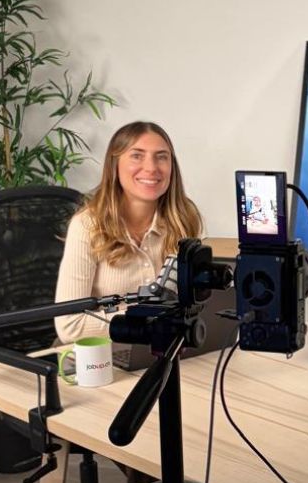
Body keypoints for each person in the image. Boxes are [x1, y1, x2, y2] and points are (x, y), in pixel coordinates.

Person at [54, 121, 203, 343]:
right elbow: (69, 325)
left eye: (161, 156)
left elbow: (197, 305)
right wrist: (150, 320)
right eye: (137, 156)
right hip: (99, 358)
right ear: (115, 165)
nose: (151, 167)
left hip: (164, 352)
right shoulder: (87, 225)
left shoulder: (184, 219)